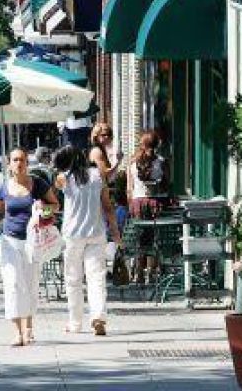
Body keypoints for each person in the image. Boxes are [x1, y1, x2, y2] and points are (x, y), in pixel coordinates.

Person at [0, 148, 58, 347]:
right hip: (9, 242)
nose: (19, 163)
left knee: (30, 284)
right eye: (15, 160)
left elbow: (56, 206)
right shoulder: (2, 188)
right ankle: (17, 332)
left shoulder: (38, 184)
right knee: (12, 285)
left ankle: (29, 327)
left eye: (22, 160)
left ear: (27, 163)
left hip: (32, 241)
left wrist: (41, 208)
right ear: (9, 164)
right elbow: (0, 214)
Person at [52, 145, 122, 336]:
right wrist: (115, 232)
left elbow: (57, 186)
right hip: (96, 232)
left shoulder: (64, 178)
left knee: (73, 280)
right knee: (96, 276)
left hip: (72, 235)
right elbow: (108, 207)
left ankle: (75, 323)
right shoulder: (97, 176)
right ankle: (98, 316)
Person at [126, 131, 168, 283]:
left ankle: (138, 272)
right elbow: (166, 186)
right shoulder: (161, 161)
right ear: (157, 145)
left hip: (137, 203)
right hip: (155, 202)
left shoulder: (132, 162)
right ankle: (151, 272)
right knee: (155, 238)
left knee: (139, 238)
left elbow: (129, 189)